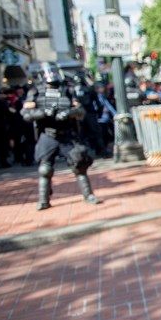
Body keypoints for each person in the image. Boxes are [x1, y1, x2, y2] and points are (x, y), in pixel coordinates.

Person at [20, 62, 101, 210]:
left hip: (67, 135)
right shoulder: (36, 92)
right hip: (48, 134)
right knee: (45, 169)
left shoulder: (67, 90)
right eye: (47, 73)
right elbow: (25, 114)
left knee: (80, 165)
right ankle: (44, 200)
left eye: (53, 72)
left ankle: (88, 195)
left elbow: (80, 110)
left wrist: (69, 113)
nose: (51, 75)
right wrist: (43, 113)